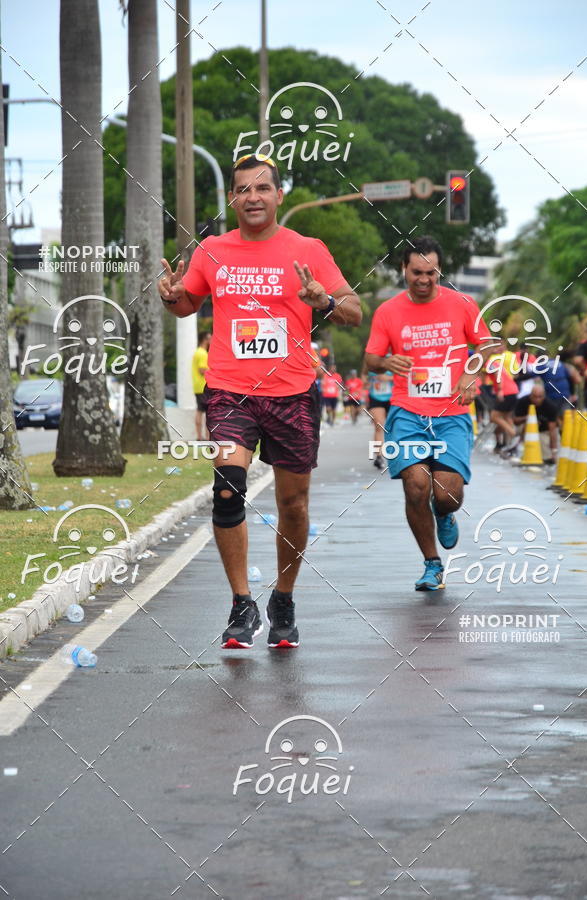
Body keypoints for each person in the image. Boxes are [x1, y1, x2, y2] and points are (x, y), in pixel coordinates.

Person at [158, 153, 361, 649]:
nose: (252, 197)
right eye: (243, 189)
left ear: (278, 196)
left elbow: (354, 311)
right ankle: (241, 602)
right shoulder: (212, 250)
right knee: (228, 489)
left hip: (292, 391)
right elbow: (188, 306)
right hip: (230, 390)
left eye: (262, 188)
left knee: (293, 503)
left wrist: (325, 302)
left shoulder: (307, 248)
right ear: (232, 197)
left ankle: (283, 599)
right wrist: (169, 296)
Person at [364, 235, 493, 591]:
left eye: (431, 273)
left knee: (446, 494)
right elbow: (371, 358)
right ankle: (432, 563)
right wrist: (386, 360)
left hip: (451, 414)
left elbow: (488, 345)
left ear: (440, 271)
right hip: (408, 412)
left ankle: (445, 512)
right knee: (415, 485)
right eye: (417, 272)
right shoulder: (388, 312)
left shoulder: (463, 304)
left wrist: (470, 372)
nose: (424, 279)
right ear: (403, 269)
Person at [512, 381, 559, 463]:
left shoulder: (550, 406)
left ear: (544, 396)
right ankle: (518, 445)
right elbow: (515, 420)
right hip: (523, 428)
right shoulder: (522, 401)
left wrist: (553, 450)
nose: (537, 400)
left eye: (540, 397)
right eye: (534, 397)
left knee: (546, 456)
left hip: (543, 431)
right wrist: (528, 418)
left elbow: (552, 430)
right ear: (530, 395)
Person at [364, 364, 394, 469]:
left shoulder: (395, 357)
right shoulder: (373, 359)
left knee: (393, 427)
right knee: (379, 425)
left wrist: (389, 378)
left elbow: (404, 376)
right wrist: (366, 382)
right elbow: (364, 376)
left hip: (393, 398)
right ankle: (379, 456)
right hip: (376, 397)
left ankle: (395, 454)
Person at [192, 331, 212, 440]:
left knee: (200, 411)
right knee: (208, 412)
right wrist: (214, 371)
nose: (211, 341)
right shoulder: (203, 353)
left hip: (197, 386)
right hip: (203, 386)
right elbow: (202, 370)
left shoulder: (197, 352)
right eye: (209, 339)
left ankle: (199, 436)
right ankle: (207, 436)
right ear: (205, 339)